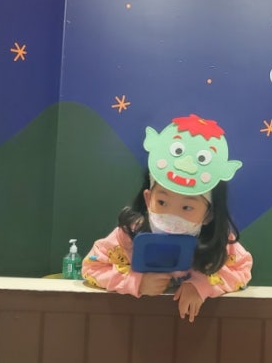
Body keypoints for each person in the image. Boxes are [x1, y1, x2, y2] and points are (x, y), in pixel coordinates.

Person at [81, 114, 252, 323]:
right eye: (162, 202)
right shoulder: (130, 233)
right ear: (148, 199)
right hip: (136, 325)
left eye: (187, 207)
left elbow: (242, 268)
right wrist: (137, 282)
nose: (172, 214)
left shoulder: (218, 240)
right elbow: (91, 268)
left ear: (209, 214)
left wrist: (202, 285)